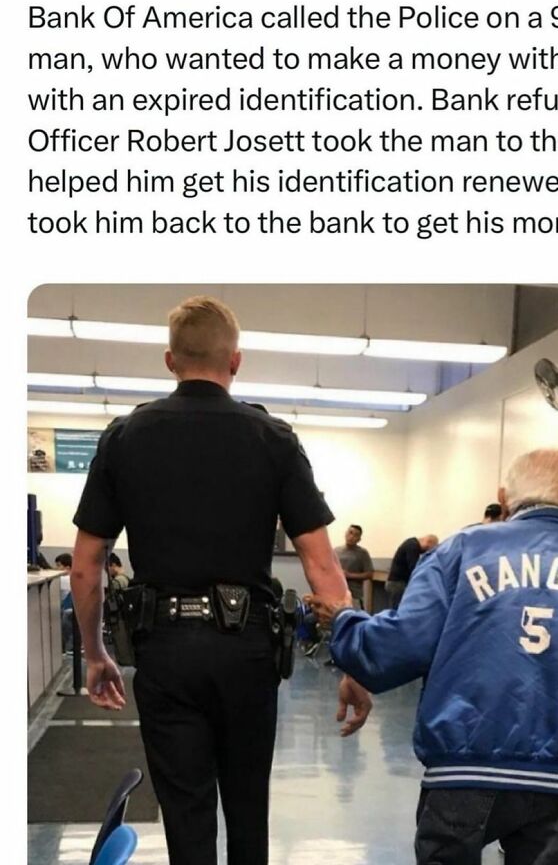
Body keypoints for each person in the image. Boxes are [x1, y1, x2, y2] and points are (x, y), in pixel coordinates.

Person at [70, 295, 372, 865]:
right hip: (248, 655)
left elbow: (85, 565)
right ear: (236, 361)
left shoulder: (123, 438)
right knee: (247, 813)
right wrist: (353, 662)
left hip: (164, 654)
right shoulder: (273, 439)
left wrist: (95, 652)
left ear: (169, 360)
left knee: (187, 822)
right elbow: (323, 565)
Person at [310, 449, 558, 865]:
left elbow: (399, 646)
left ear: (504, 498)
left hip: (463, 769)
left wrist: (344, 623)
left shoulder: (460, 551)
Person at [385, 534, 438, 610]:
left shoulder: (411, 544)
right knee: (397, 610)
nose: (427, 552)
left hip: (395, 583)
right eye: (429, 549)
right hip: (398, 583)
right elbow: (414, 568)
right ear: (428, 542)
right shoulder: (413, 547)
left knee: (397, 608)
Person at [334, 524, 374, 605]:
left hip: (354, 594)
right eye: (350, 533)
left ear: (359, 539)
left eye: (355, 535)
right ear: (345, 533)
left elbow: (370, 574)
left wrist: (349, 575)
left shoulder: (362, 553)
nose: (351, 537)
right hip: (336, 593)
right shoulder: (336, 551)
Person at [55, 553, 74, 651]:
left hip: (66, 611)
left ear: (67, 567)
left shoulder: (62, 580)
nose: (56, 569)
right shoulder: (75, 578)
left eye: (59, 566)